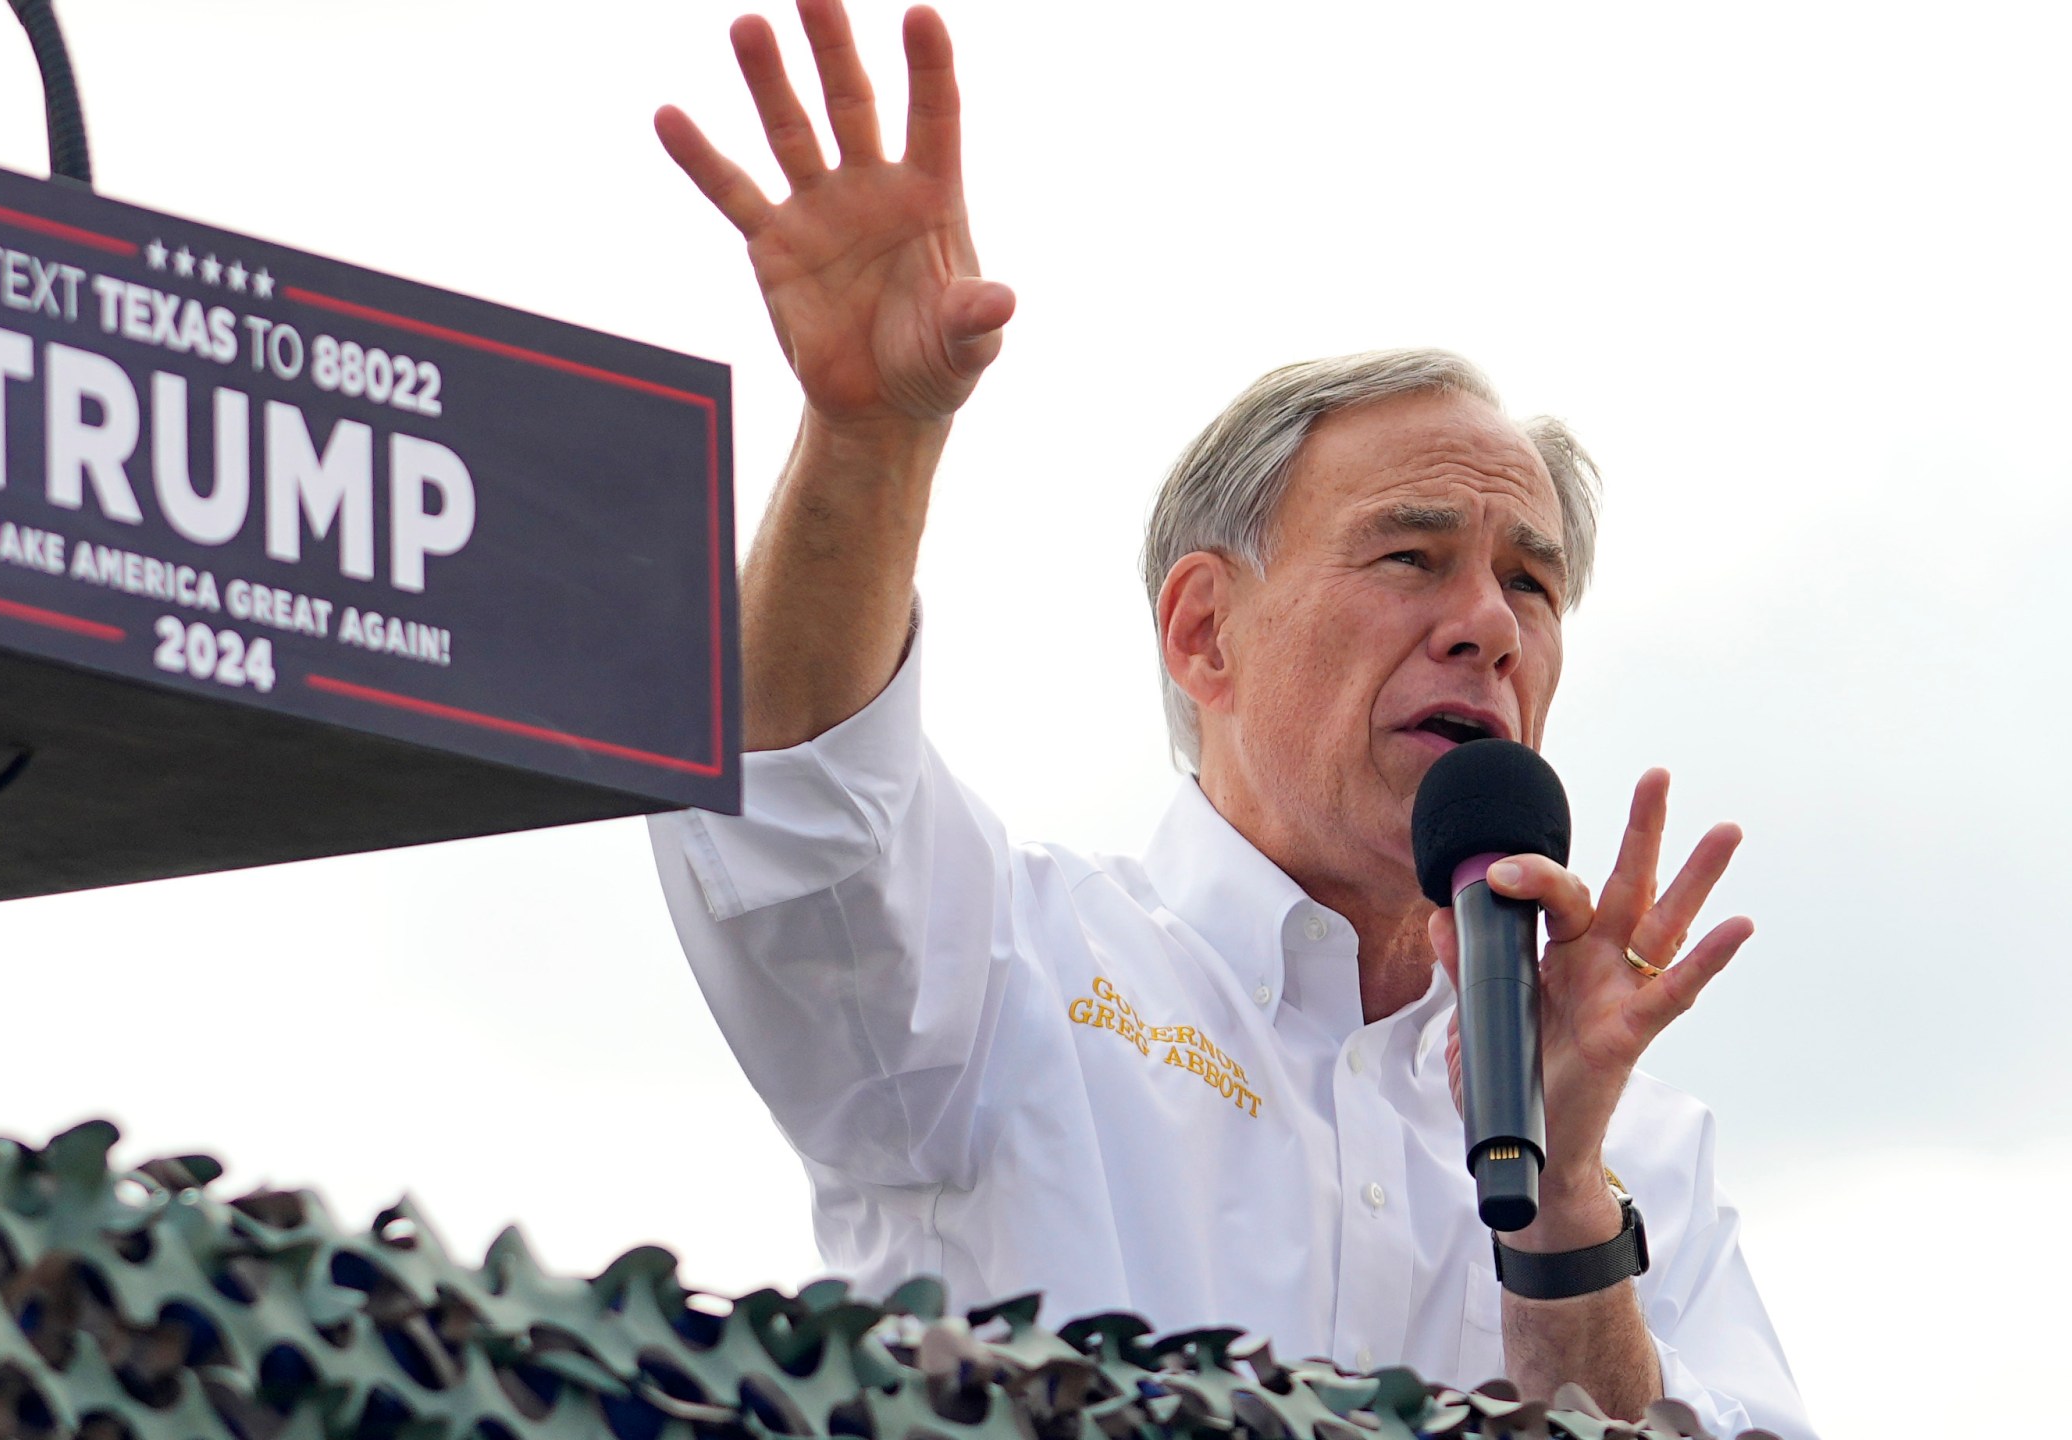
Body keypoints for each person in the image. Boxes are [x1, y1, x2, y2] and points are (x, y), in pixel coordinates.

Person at [644, 3, 1810, 1435]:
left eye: (1531, 582)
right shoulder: (1011, 976)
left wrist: (1564, 1203)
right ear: (1205, 631)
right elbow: (797, 802)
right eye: (1410, 555)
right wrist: (871, 438)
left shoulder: (1644, 1149)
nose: (1491, 625)